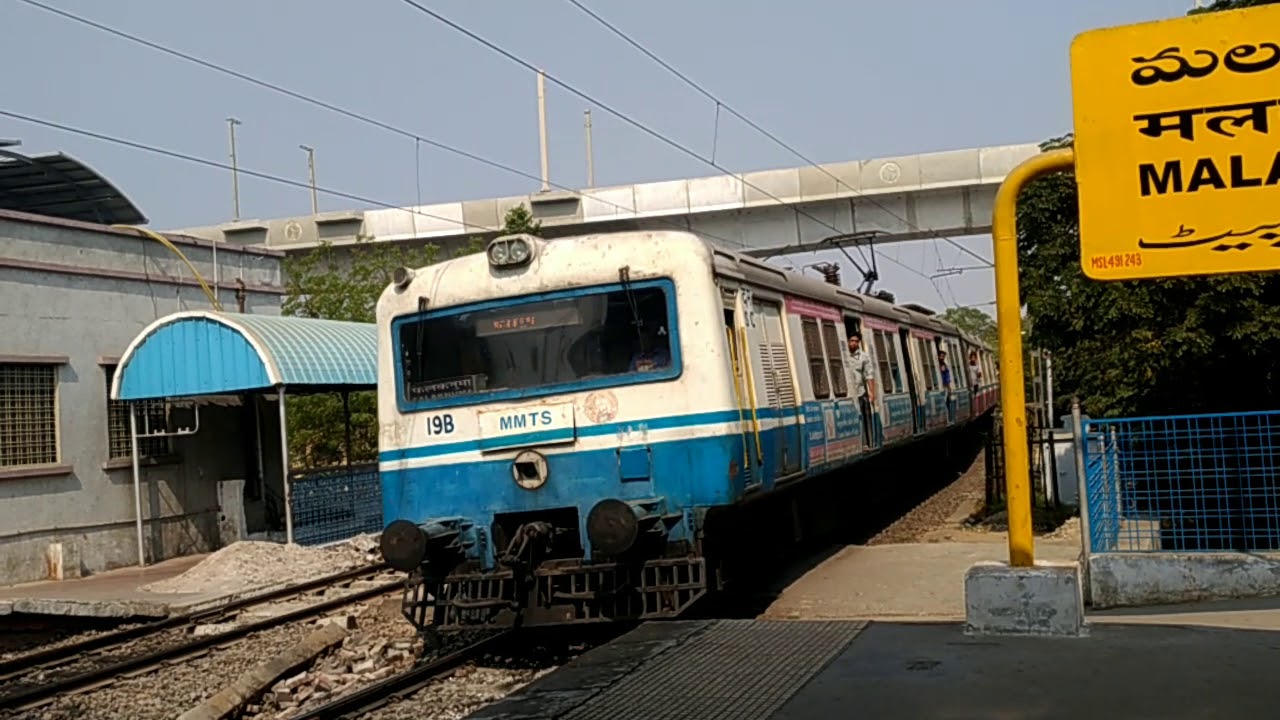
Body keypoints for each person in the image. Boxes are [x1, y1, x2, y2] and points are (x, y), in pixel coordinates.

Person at [847, 330, 876, 446]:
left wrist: (872, 392)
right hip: (848, 393)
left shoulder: (864, 357)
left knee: (862, 418)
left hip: (860, 392)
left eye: (856, 341)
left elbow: (869, 374)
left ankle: (865, 443)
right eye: (851, 341)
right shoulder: (842, 354)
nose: (853, 343)